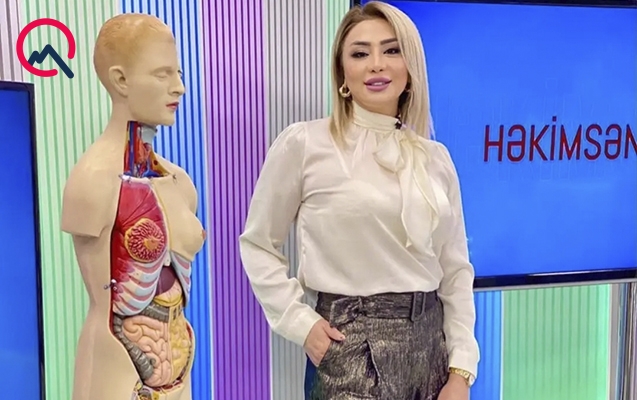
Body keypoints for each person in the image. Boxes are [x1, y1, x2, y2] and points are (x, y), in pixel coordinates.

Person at [239, 1, 479, 399]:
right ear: (342, 72)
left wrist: (461, 369)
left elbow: (455, 271)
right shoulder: (306, 144)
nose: (376, 65)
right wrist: (300, 322)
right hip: (349, 348)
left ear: (411, 66)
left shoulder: (435, 158)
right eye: (360, 53)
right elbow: (258, 243)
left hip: (431, 350)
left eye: (391, 50)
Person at [60, 14, 205, 400]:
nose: (179, 87)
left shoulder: (180, 182)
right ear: (121, 80)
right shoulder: (93, 181)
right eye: (162, 74)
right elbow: (105, 303)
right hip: (116, 371)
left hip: (177, 365)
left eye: (178, 73)